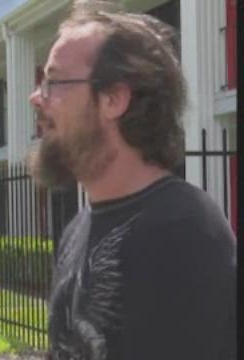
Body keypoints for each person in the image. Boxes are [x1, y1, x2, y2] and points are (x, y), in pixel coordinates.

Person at [27, 1, 236, 359]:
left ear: (113, 99)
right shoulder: (78, 229)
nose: (36, 96)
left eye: (55, 81)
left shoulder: (185, 230)